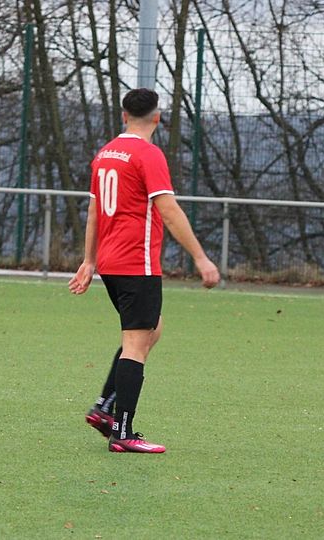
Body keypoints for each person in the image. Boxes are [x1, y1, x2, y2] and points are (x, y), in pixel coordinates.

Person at [69, 88, 220, 454]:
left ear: (124, 116)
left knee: (151, 329)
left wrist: (89, 260)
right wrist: (201, 258)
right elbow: (169, 210)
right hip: (137, 262)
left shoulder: (106, 153)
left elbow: (93, 212)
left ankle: (106, 407)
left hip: (111, 262)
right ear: (157, 117)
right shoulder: (148, 154)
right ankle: (122, 431)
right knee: (137, 344)